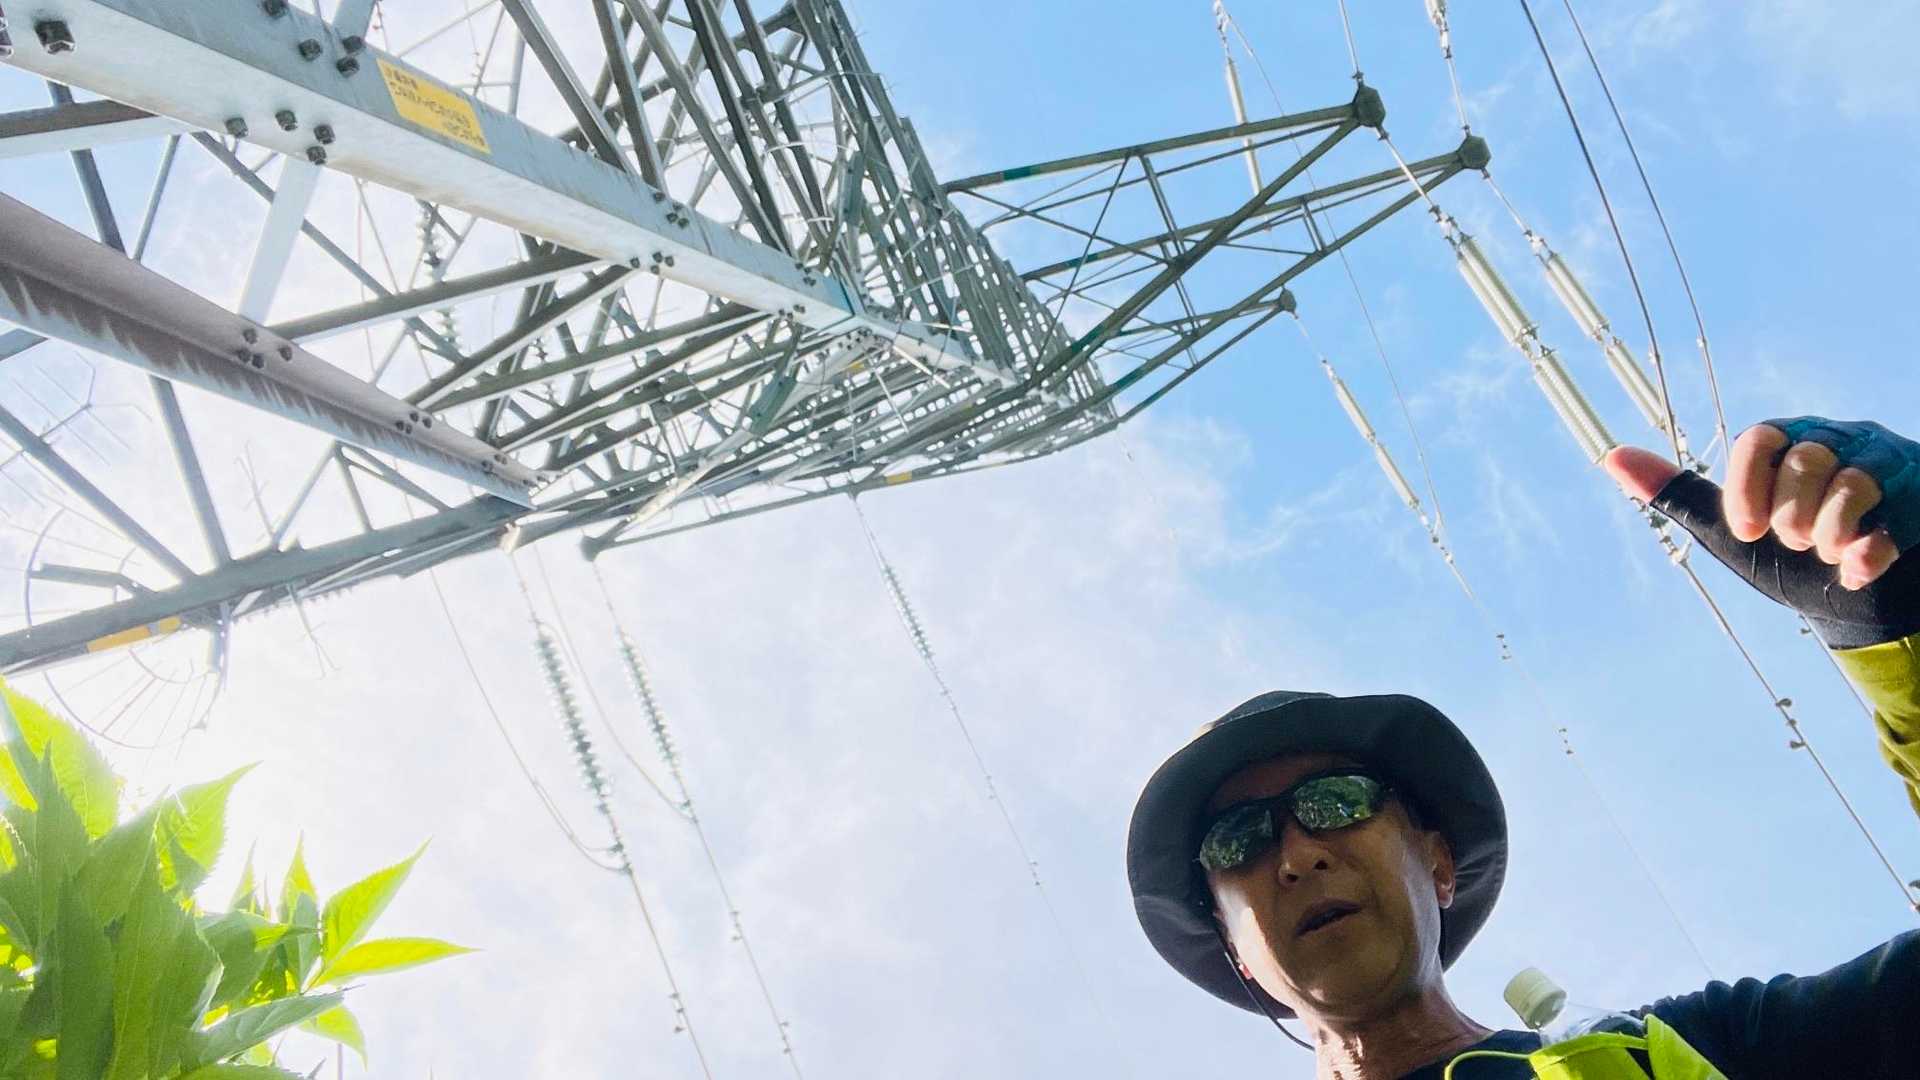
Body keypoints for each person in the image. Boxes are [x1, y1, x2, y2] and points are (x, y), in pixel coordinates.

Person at [1126, 416, 1920, 1078]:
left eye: (1336, 802)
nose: (1297, 854)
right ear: (1232, 948)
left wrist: (1893, 625)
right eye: (1238, 840)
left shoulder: (1686, 1054)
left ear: (1439, 862)